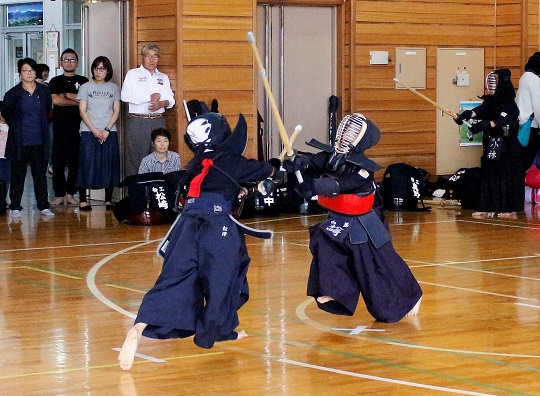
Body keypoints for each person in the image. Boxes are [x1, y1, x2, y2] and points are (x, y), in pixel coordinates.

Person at [118, 112, 279, 370]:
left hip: (185, 227)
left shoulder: (196, 162)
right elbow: (265, 170)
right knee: (223, 281)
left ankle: (139, 327)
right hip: (217, 226)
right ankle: (214, 331)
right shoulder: (231, 161)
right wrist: (278, 165)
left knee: (174, 279)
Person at [281, 113, 422, 323]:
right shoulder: (332, 157)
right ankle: (334, 291)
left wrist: (313, 187)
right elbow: (313, 160)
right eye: (345, 130)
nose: (347, 135)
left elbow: (340, 186)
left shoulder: (364, 168)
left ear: (361, 140)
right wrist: (298, 160)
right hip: (340, 219)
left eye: (353, 133)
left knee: (380, 263)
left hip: (364, 223)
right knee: (324, 243)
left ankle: (412, 295)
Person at [454, 68, 523, 218]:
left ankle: (508, 209)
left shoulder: (510, 105)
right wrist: (467, 114)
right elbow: (481, 110)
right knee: (489, 175)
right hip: (494, 144)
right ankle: (486, 207)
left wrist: (480, 126)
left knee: (505, 177)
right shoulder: (491, 102)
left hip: (508, 146)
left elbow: (497, 122)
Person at [1, 58, 54, 218]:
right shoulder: (13, 93)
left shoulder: (44, 91)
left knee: (40, 175)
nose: (29, 73)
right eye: (25, 70)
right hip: (20, 141)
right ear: (20, 73)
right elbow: (5, 114)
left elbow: (47, 110)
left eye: (31, 70)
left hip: (39, 140)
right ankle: (15, 206)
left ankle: (44, 206)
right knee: (18, 175)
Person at [121, 44, 175, 177]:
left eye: (155, 56)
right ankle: (136, 195)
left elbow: (171, 100)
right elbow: (125, 96)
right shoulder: (133, 74)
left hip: (158, 120)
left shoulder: (163, 77)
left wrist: (162, 103)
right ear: (142, 58)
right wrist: (148, 98)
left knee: (159, 156)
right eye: (148, 56)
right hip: (138, 120)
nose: (152, 60)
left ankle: (155, 194)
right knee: (136, 159)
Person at [76, 56, 121, 211]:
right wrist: (95, 130)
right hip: (89, 131)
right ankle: (83, 200)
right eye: (96, 68)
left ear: (107, 70)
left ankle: (108, 199)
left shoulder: (114, 88)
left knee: (109, 163)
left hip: (109, 131)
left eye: (102, 68)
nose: (98, 71)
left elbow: (116, 111)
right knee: (86, 163)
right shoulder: (85, 87)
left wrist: (107, 130)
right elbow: (82, 111)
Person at [48, 48, 89, 206]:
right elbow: (56, 101)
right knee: (58, 163)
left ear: (77, 63)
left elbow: (89, 102)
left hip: (80, 127)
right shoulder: (55, 81)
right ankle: (59, 194)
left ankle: (71, 193)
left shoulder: (84, 81)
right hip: (59, 128)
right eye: (66, 59)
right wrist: (78, 102)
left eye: (72, 59)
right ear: (60, 63)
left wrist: (67, 96)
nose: (69, 62)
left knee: (75, 162)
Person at [515, 52, 540, 171]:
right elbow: (538, 105)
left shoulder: (524, 76)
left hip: (522, 121)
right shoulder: (535, 79)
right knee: (528, 158)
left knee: (521, 157)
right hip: (531, 125)